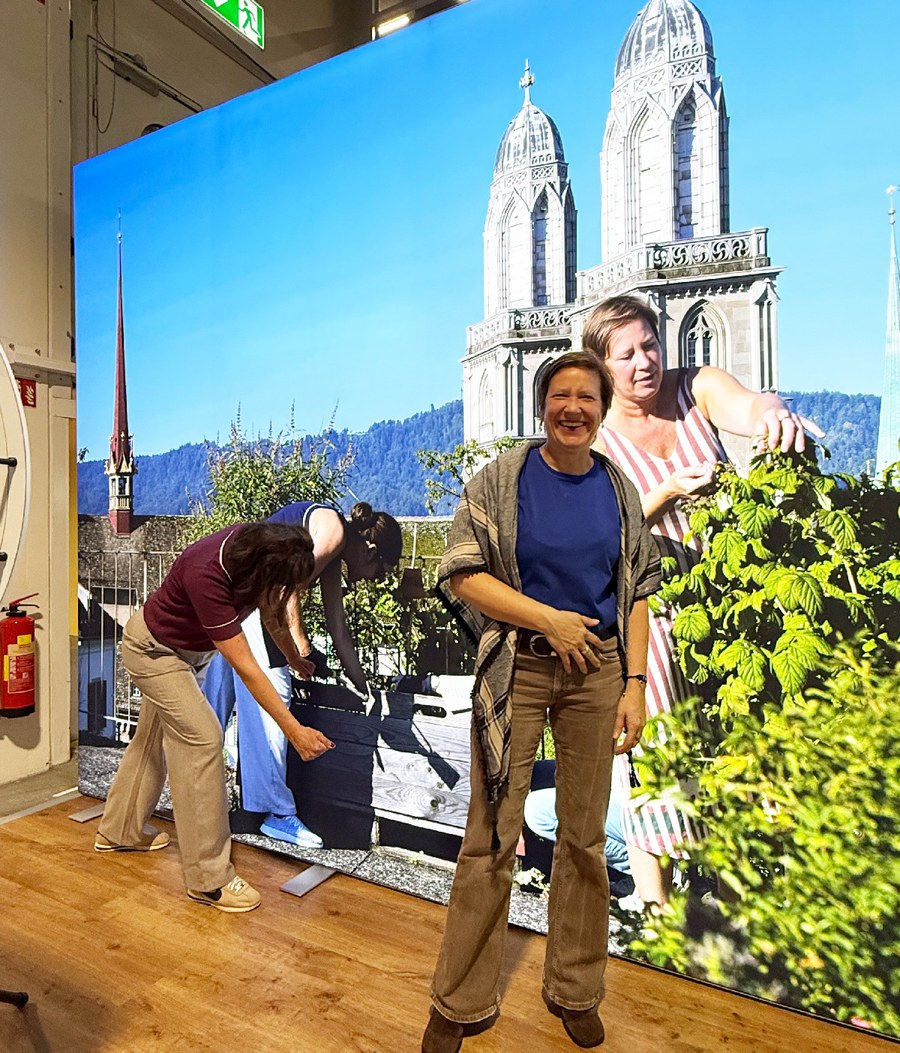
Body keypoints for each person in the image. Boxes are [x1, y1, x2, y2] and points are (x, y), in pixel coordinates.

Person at [422, 351, 660, 1053]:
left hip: (597, 674)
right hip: (516, 670)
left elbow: (637, 592)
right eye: (561, 394)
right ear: (542, 403)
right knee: (491, 836)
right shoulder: (501, 479)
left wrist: (636, 685)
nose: (573, 407)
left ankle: (576, 989)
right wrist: (547, 620)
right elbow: (463, 575)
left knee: (583, 840)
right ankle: (459, 1001)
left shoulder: (618, 489)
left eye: (587, 396)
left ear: (602, 409)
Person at [583, 294, 823, 908]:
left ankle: (739, 907)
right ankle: (657, 912)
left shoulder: (697, 389)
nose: (644, 362)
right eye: (626, 354)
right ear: (601, 367)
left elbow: (751, 404)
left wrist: (775, 415)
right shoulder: (597, 445)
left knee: (739, 747)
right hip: (650, 618)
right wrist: (664, 494)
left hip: (724, 605)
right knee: (657, 757)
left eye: (650, 345)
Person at [94, 521, 335, 913]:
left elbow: (271, 611)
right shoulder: (208, 575)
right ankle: (209, 879)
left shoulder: (255, 553)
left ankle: (119, 830)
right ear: (264, 570)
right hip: (154, 653)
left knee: (151, 739)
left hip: (181, 653)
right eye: (282, 584)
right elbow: (248, 669)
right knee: (203, 738)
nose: (284, 593)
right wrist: (294, 732)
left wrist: (293, 657)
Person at [202, 500, 402, 848]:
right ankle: (277, 814)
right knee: (272, 700)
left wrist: (365, 689)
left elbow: (338, 631)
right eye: (381, 571)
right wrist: (300, 649)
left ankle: (187, 790)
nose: (376, 580)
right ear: (371, 551)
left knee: (211, 707)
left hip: (232, 594)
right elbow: (285, 588)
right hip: (254, 601)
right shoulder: (334, 532)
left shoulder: (334, 550)